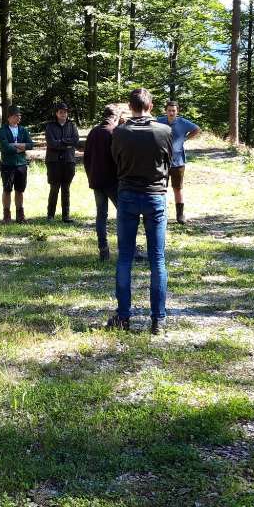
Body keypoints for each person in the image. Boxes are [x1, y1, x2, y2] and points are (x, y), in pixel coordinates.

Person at [107, 88, 173, 334]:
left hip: (128, 195)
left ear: (130, 106)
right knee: (157, 259)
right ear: (151, 106)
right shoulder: (164, 130)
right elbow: (169, 161)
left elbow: (116, 160)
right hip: (155, 195)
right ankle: (159, 319)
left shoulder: (120, 132)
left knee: (125, 257)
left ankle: (124, 317)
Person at [84, 105, 121, 261]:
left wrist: (91, 176)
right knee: (124, 213)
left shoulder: (93, 132)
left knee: (101, 215)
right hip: (112, 181)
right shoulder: (114, 132)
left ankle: (103, 249)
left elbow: (86, 157)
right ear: (115, 117)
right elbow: (118, 158)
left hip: (96, 180)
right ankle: (127, 248)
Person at [156, 101, 201, 224]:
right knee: (160, 189)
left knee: (178, 188)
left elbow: (197, 129)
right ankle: (160, 214)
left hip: (178, 162)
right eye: (169, 110)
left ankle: (180, 215)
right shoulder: (158, 121)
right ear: (166, 111)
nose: (171, 113)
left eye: (174, 110)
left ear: (177, 111)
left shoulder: (183, 123)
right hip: (161, 161)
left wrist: (185, 138)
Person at [0, 106, 34, 223]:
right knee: (7, 190)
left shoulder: (23, 130)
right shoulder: (3, 130)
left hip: (21, 164)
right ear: (9, 118)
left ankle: (20, 215)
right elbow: (5, 147)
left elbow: (31, 144)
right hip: (8, 164)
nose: (18, 118)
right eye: (16, 116)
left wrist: (17, 145)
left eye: (19, 116)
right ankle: (6, 215)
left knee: (20, 190)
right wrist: (20, 148)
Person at [44, 102, 80, 222]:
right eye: (61, 112)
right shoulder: (50, 126)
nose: (63, 114)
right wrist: (66, 144)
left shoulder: (72, 125)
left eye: (65, 112)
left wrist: (61, 142)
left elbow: (75, 141)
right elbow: (51, 143)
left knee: (66, 188)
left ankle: (66, 216)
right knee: (54, 188)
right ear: (56, 113)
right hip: (53, 162)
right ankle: (50, 215)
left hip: (69, 161)